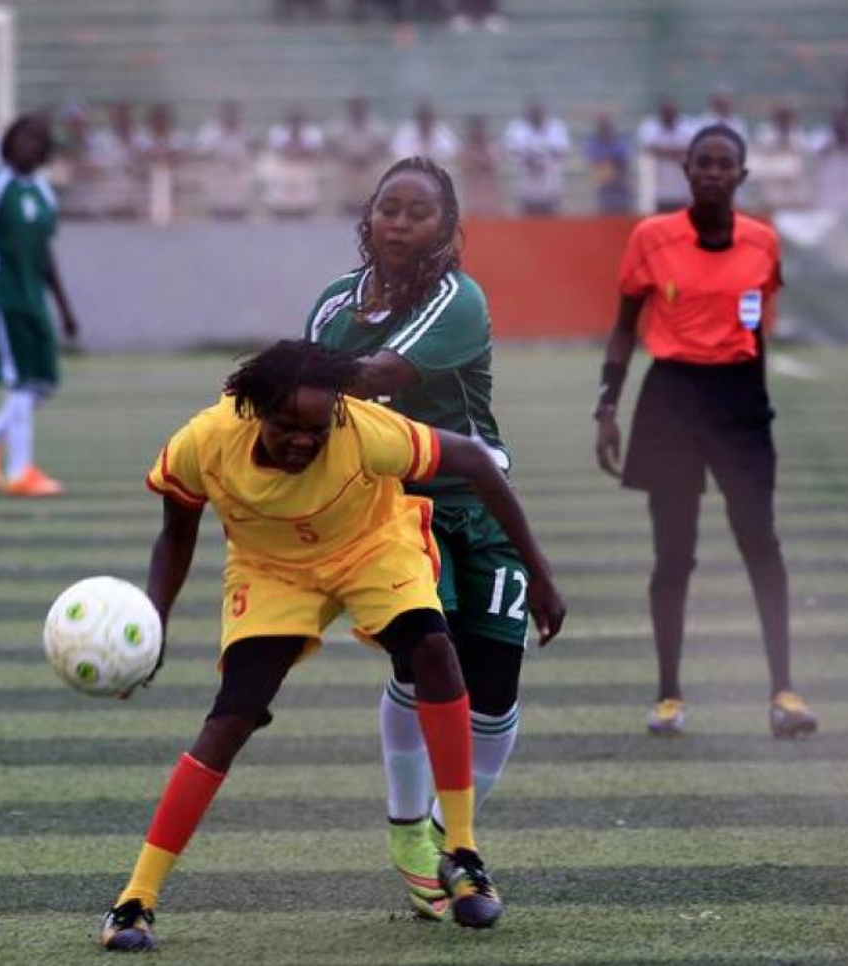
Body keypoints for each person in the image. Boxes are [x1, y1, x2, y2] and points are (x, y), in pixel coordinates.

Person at [98, 341, 565, 951]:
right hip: (272, 571)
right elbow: (175, 532)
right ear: (252, 411)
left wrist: (541, 575)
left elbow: (477, 461)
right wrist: (155, 621)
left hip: (371, 548)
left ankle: (463, 853)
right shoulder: (204, 441)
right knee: (231, 718)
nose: (302, 440)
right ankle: (135, 901)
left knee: (434, 652)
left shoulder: (363, 430)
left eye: (315, 429)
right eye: (286, 426)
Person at [303, 155, 555, 920]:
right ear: (368, 218)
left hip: (481, 501)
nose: (401, 223)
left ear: (447, 229)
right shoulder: (331, 306)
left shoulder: (459, 299)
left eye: (419, 212)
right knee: (425, 658)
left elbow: (380, 374)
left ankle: (452, 832)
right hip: (395, 506)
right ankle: (421, 839)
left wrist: (290, 375)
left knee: (495, 689)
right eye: (389, 209)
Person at [593, 125, 819, 740]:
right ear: (686, 172)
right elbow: (622, 328)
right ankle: (668, 695)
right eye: (703, 163)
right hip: (671, 400)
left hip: (740, 401)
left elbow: (753, 331)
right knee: (674, 554)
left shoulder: (763, 244)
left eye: (725, 165)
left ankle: (784, 692)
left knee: (760, 542)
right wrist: (606, 407)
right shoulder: (651, 238)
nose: (714, 173)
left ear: (742, 176)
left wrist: (757, 410)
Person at [0, 115, 81, 497]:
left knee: (44, 383)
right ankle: (19, 470)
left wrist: (65, 308)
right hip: (1, 295)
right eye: (22, 139)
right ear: (8, 143)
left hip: (33, 296)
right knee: (20, 382)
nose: (29, 147)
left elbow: (44, 254)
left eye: (37, 141)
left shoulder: (43, 191)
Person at [502, 98, 570, 216]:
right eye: (534, 112)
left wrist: (542, 160)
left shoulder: (555, 127)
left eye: (539, 112)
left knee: (552, 214)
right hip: (525, 180)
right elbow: (509, 149)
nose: (536, 115)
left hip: (549, 180)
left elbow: (561, 149)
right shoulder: (517, 128)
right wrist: (529, 159)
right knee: (526, 214)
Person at [638, 99, 696, 213]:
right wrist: (676, 152)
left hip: (683, 189)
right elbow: (647, 147)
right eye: (666, 112)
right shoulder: (650, 127)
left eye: (671, 112)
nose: (668, 115)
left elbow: (693, 149)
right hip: (659, 189)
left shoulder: (688, 128)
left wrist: (663, 151)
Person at [584, 113, 633, 215]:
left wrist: (609, 161)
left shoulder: (620, 142)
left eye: (607, 127)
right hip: (604, 186)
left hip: (620, 185)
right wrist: (611, 161)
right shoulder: (593, 143)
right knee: (605, 215)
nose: (605, 129)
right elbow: (595, 160)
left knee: (622, 215)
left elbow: (624, 161)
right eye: (603, 127)